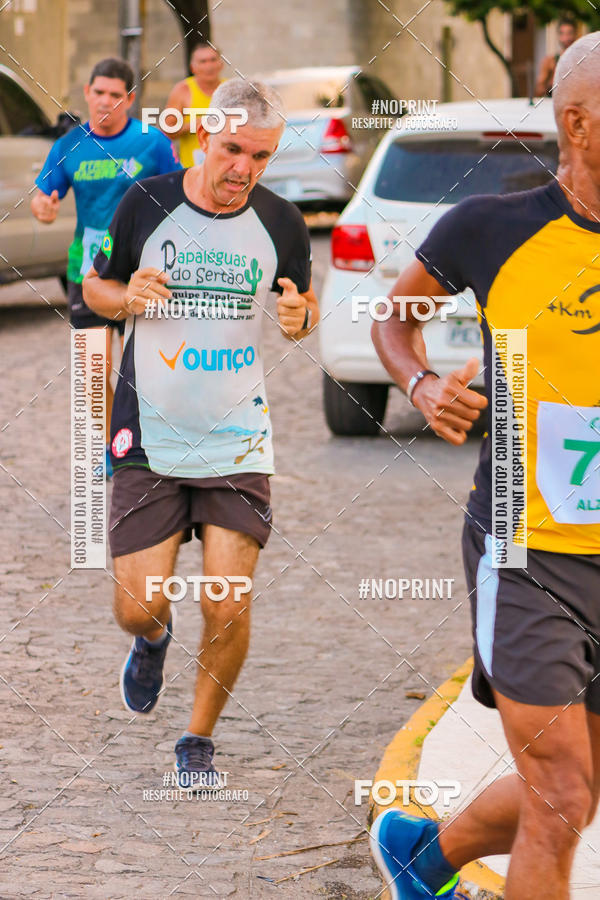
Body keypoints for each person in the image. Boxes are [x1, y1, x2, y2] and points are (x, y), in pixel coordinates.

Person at [370, 30, 600, 900]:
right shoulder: (491, 227)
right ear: (576, 124)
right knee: (561, 793)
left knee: (580, 793)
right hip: (526, 549)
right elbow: (396, 320)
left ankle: (423, 856)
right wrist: (424, 385)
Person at [82, 78, 319, 789]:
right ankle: (153, 638)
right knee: (137, 604)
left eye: (262, 156)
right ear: (204, 139)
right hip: (149, 434)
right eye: (232, 149)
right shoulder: (145, 203)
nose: (244, 167)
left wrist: (300, 318)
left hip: (237, 438)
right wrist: (126, 296)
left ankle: (197, 740)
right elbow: (94, 290)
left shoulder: (284, 225)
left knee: (227, 598)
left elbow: (301, 305)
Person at [31, 57, 181, 476]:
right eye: (99, 93)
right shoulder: (68, 146)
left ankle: (156, 439)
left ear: (130, 100)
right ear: (88, 94)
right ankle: (118, 447)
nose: (106, 102)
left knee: (152, 368)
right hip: (88, 272)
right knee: (93, 374)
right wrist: (43, 207)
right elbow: (44, 196)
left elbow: (180, 194)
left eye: (116, 95)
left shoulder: (152, 143)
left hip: (142, 271)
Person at [164, 41, 224, 167]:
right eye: (203, 61)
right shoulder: (182, 90)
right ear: (192, 67)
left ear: (221, 63)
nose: (209, 66)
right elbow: (167, 131)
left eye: (213, 60)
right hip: (192, 169)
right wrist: (198, 123)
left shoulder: (232, 89)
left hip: (226, 168)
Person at [535, 17, 577, 97]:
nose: (566, 38)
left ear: (575, 35)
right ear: (559, 36)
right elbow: (539, 90)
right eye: (562, 33)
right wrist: (550, 84)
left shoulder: (582, 60)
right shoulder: (550, 62)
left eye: (569, 33)